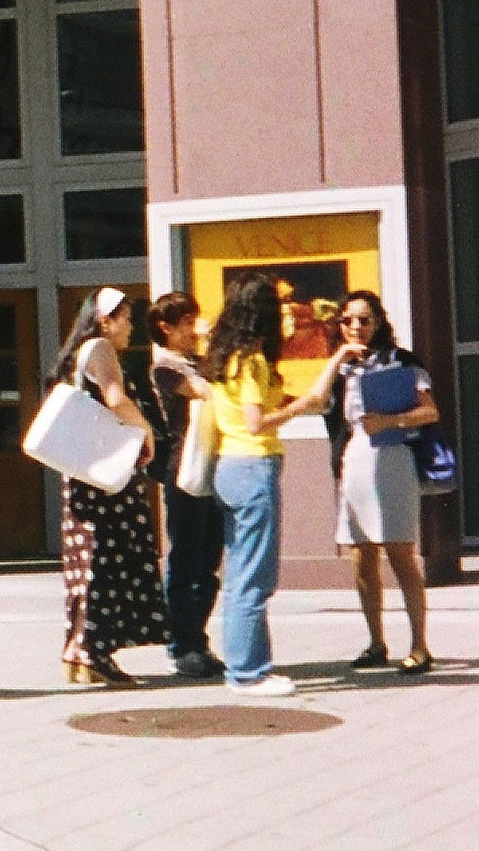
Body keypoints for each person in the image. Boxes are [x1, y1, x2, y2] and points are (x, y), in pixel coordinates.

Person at [203, 272, 359, 697]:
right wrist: (299, 410)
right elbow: (257, 423)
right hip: (253, 466)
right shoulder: (250, 358)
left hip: (231, 467)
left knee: (241, 572)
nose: (287, 312)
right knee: (253, 576)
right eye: (277, 305)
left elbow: (283, 402)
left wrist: (332, 363)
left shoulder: (225, 353)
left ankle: (246, 666)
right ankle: (248, 672)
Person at [51, 288, 167, 687]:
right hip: (106, 483)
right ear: (106, 320)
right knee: (107, 559)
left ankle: (79, 650)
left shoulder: (77, 354)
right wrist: (146, 431)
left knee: (87, 563)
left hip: (85, 478)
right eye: (127, 318)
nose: (131, 327)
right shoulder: (100, 348)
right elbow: (115, 399)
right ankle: (93, 651)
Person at [324, 289, 437, 675]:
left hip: (392, 456)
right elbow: (321, 402)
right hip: (355, 458)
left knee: (401, 552)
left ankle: (420, 644)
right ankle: (375, 642)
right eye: (347, 320)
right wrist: (339, 357)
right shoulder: (342, 367)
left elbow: (428, 411)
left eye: (364, 319)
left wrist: (390, 421)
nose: (355, 327)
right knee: (362, 555)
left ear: (378, 322)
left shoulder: (402, 362)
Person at [149, 292, 226, 677]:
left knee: (209, 563)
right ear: (166, 327)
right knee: (184, 560)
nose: (193, 328)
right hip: (183, 470)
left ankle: (198, 637)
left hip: (211, 467)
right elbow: (207, 391)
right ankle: (183, 644)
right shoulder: (164, 367)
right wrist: (212, 344)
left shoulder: (195, 362)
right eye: (186, 322)